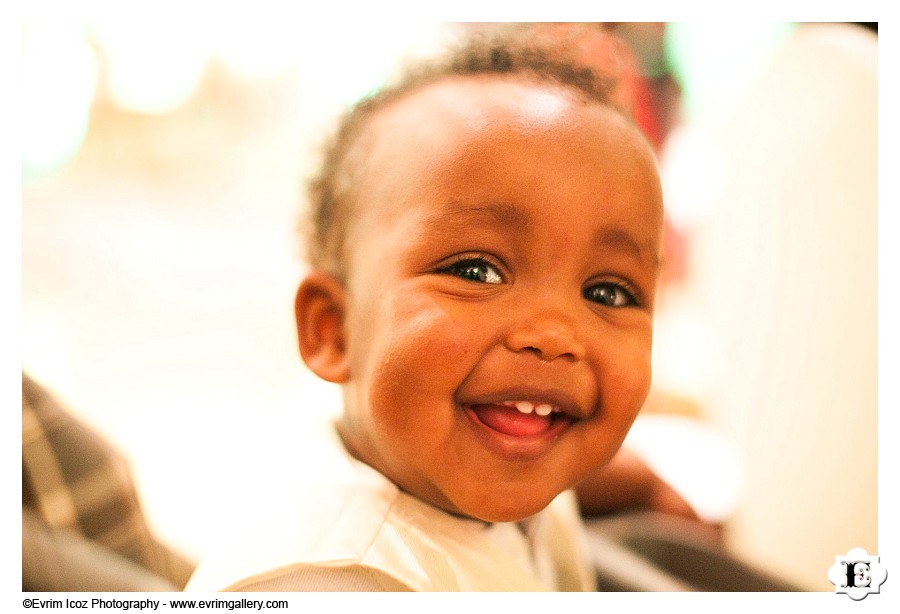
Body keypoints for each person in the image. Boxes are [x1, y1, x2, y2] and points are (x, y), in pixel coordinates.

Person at [187, 25, 674, 592]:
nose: (554, 334)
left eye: (607, 292)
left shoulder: (454, 445)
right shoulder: (329, 581)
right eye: (476, 271)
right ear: (335, 331)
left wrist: (641, 486)